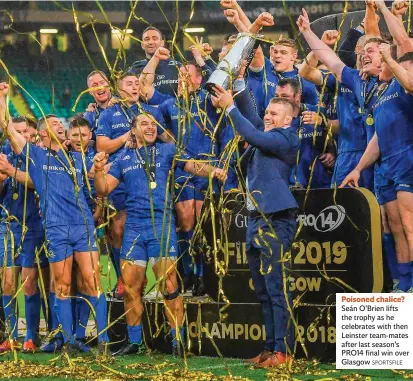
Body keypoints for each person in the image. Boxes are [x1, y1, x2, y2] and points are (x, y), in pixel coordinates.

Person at [94, 113, 227, 356]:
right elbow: (103, 190)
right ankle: (135, 342)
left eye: (153, 124)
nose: (150, 127)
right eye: (144, 123)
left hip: (162, 227)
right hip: (134, 228)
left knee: (169, 285)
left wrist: (213, 170)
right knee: (131, 288)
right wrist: (98, 170)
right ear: (132, 131)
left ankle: (178, 342)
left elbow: (192, 165)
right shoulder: (124, 158)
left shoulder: (168, 150)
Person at [0, 86, 110, 354]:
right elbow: (8, 128)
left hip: (82, 225)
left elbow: (100, 189)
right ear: (42, 133)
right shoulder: (35, 157)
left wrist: (97, 171)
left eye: (60, 124)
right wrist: (3, 98)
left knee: (92, 282)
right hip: (56, 228)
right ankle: (70, 341)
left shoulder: (77, 157)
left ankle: (105, 340)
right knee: (61, 285)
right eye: (53, 125)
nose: (59, 127)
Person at [211, 84, 299, 367]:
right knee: (262, 290)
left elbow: (249, 130)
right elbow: (251, 118)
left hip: (275, 219)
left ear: (288, 119)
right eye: (268, 113)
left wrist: (229, 107)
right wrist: (236, 85)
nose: (269, 116)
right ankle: (269, 348)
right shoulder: (265, 137)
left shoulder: (287, 138)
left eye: (275, 113)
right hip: (255, 219)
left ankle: (283, 350)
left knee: (277, 288)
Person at [139, 51, 231, 295]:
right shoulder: (170, 104)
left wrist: (202, 62)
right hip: (182, 169)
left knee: (202, 222)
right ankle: (188, 273)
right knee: (186, 222)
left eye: (187, 76)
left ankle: (203, 275)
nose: (182, 81)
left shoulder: (206, 99)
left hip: (207, 167)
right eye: (179, 77)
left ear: (199, 80)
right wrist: (169, 141)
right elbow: (144, 91)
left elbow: (221, 82)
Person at [96, 71, 170, 298]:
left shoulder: (150, 111)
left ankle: (168, 280)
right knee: (118, 229)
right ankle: (122, 278)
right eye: (129, 83)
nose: (135, 86)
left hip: (149, 175)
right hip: (120, 174)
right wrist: (126, 138)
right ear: (119, 89)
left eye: (137, 83)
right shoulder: (109, 113)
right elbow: (102, 145)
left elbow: (167, 137)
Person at [0, 116, 48, 353]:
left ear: (31, 134)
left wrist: (10, 171)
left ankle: (31, 336)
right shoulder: (2, 153)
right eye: (15, 131)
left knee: (29, 285)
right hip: (8, 226)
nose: (20, 136)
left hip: (33, 226)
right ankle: (10, 335)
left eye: (24, 132)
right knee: (8, 283)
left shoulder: (36, 155)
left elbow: (37, 184)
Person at [274, 78, 335, 188]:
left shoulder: (318, 113)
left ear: (297, 96)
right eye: (276, 96)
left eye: (284, 96)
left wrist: (332, 153)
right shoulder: (274, 119)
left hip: (320, 183)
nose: (279, 101)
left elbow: (336, 137)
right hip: (289, 185)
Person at [129, 26, 180, 96]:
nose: (150, 42)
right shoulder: (136, 68)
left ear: (162, 43)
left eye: (154, 39)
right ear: (142, 45)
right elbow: (124, 88)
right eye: (147, 39)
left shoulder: (177, 67)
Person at [83, 70, 112, 145]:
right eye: (94, 85)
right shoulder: (89, 116)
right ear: (90, 91)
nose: (100, 87)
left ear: (109, 84)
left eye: (102, 82)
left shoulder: (124, 106)